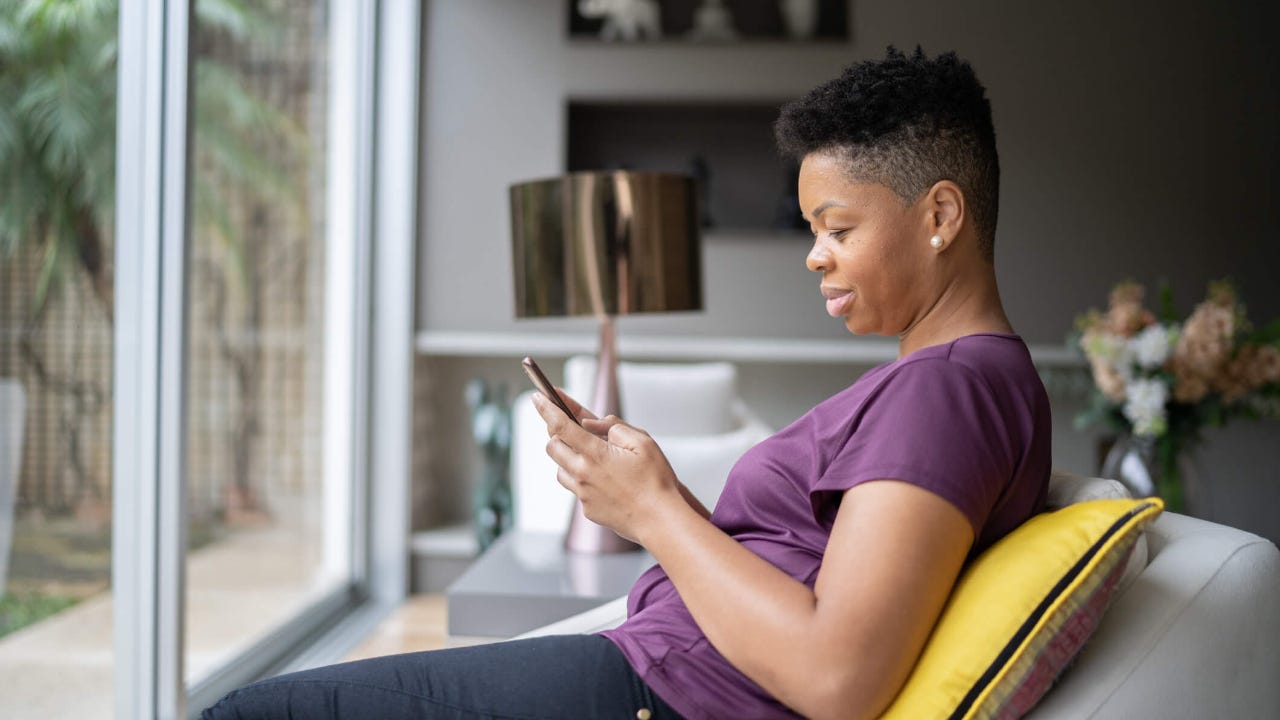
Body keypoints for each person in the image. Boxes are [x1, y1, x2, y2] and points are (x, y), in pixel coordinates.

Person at [202, 46, 1051, 720]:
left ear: (940, 216)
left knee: (242, 714)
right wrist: (664, 497)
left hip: (670, 693)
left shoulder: (950, 391)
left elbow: (838, 678)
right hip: (668, 669)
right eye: (811, 230)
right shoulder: (964, 383)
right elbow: (809, 565)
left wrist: (648, 512)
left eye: (838, 228)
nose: (814, 255)